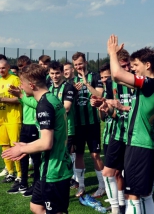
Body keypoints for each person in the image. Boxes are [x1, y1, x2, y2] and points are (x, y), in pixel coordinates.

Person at [2, 63, 73, 214]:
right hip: (48, 168)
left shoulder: (45, 105)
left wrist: (23, 148)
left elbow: (47, 142)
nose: (20, 86)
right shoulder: (49, 98)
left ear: (32, 85)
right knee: (36, 206)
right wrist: (28, 145)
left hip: (54, 170)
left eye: (21, 83)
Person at [106, 34, 154, 214]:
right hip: (140, 143)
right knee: (144, 195)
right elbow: (117, 79)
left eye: (135, 65)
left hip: (140, 144)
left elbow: (116, 73)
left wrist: (112, 54)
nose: (132, 68)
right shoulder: (147, 85)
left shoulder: (150, 83)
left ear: (147, 65)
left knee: (133, 196)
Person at [7, 55, 41, 196]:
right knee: (22, 154)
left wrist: (21, 96)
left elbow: (37, 104)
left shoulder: (35, 85)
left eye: (24, 67)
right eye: (20, 67)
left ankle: (36, 185)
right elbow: (24, 103)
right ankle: (23, 183)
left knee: (36, 156)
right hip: (25, 123)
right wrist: (19, 95)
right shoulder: (24, 85)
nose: (22, 69)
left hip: (34, 123)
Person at [102, 50, 132, 213]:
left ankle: (129, 205)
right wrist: (105, 108)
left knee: (129, 175)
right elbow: (111, 113)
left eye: (128, 65)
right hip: (118, 133)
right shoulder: (110, 84)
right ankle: (116, 208)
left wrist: (123, 107)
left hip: (135, 136)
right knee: (109, 173)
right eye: (123, 66)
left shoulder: (138, 82)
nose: (126, 68)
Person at [72, 52, 104, 198]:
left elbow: (99, 95)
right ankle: (81, 185)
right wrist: (73, 90)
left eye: (80, 63)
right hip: (77, 124)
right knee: (78, 154)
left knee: (95, 154)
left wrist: (86, 84)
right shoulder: (71, 80)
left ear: (85, 62)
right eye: (75, 65)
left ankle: (102, 186)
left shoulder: (95, 77)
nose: (78, 66)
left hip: (92, 124)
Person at [0, 59, 22, 184]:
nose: (1, 70)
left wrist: (2, 99)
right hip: (1, 117)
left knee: (16, 146)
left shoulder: (15, 79)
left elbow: (19, 98)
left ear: (8, 67)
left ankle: (20, 174)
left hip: (13, 118)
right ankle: (10, 172)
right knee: (5, 146)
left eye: (3, 68)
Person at [48, 61, 77, 188]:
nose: (55, 76)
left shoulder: (68, 87)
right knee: (53, 155)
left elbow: (66, 108)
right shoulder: (48, 87)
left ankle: (68, 179)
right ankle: (58, 179)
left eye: (57, 73)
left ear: (62, 73)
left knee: (64, 155)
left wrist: (48, 113)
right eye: (52, 73)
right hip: (51, 128)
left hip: (66, 129)